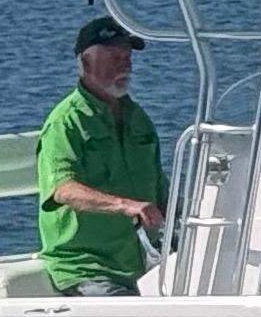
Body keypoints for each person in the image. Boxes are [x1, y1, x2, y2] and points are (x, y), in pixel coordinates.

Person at [34, 16, 166, 296]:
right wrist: (124, 205)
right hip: (84, 268)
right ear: (85, 64)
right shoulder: (66, 122)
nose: (125, 64)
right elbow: (62, 189)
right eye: (114, 57)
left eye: (127, 56)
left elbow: (160, 187)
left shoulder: (138, 118)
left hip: (139, 264)